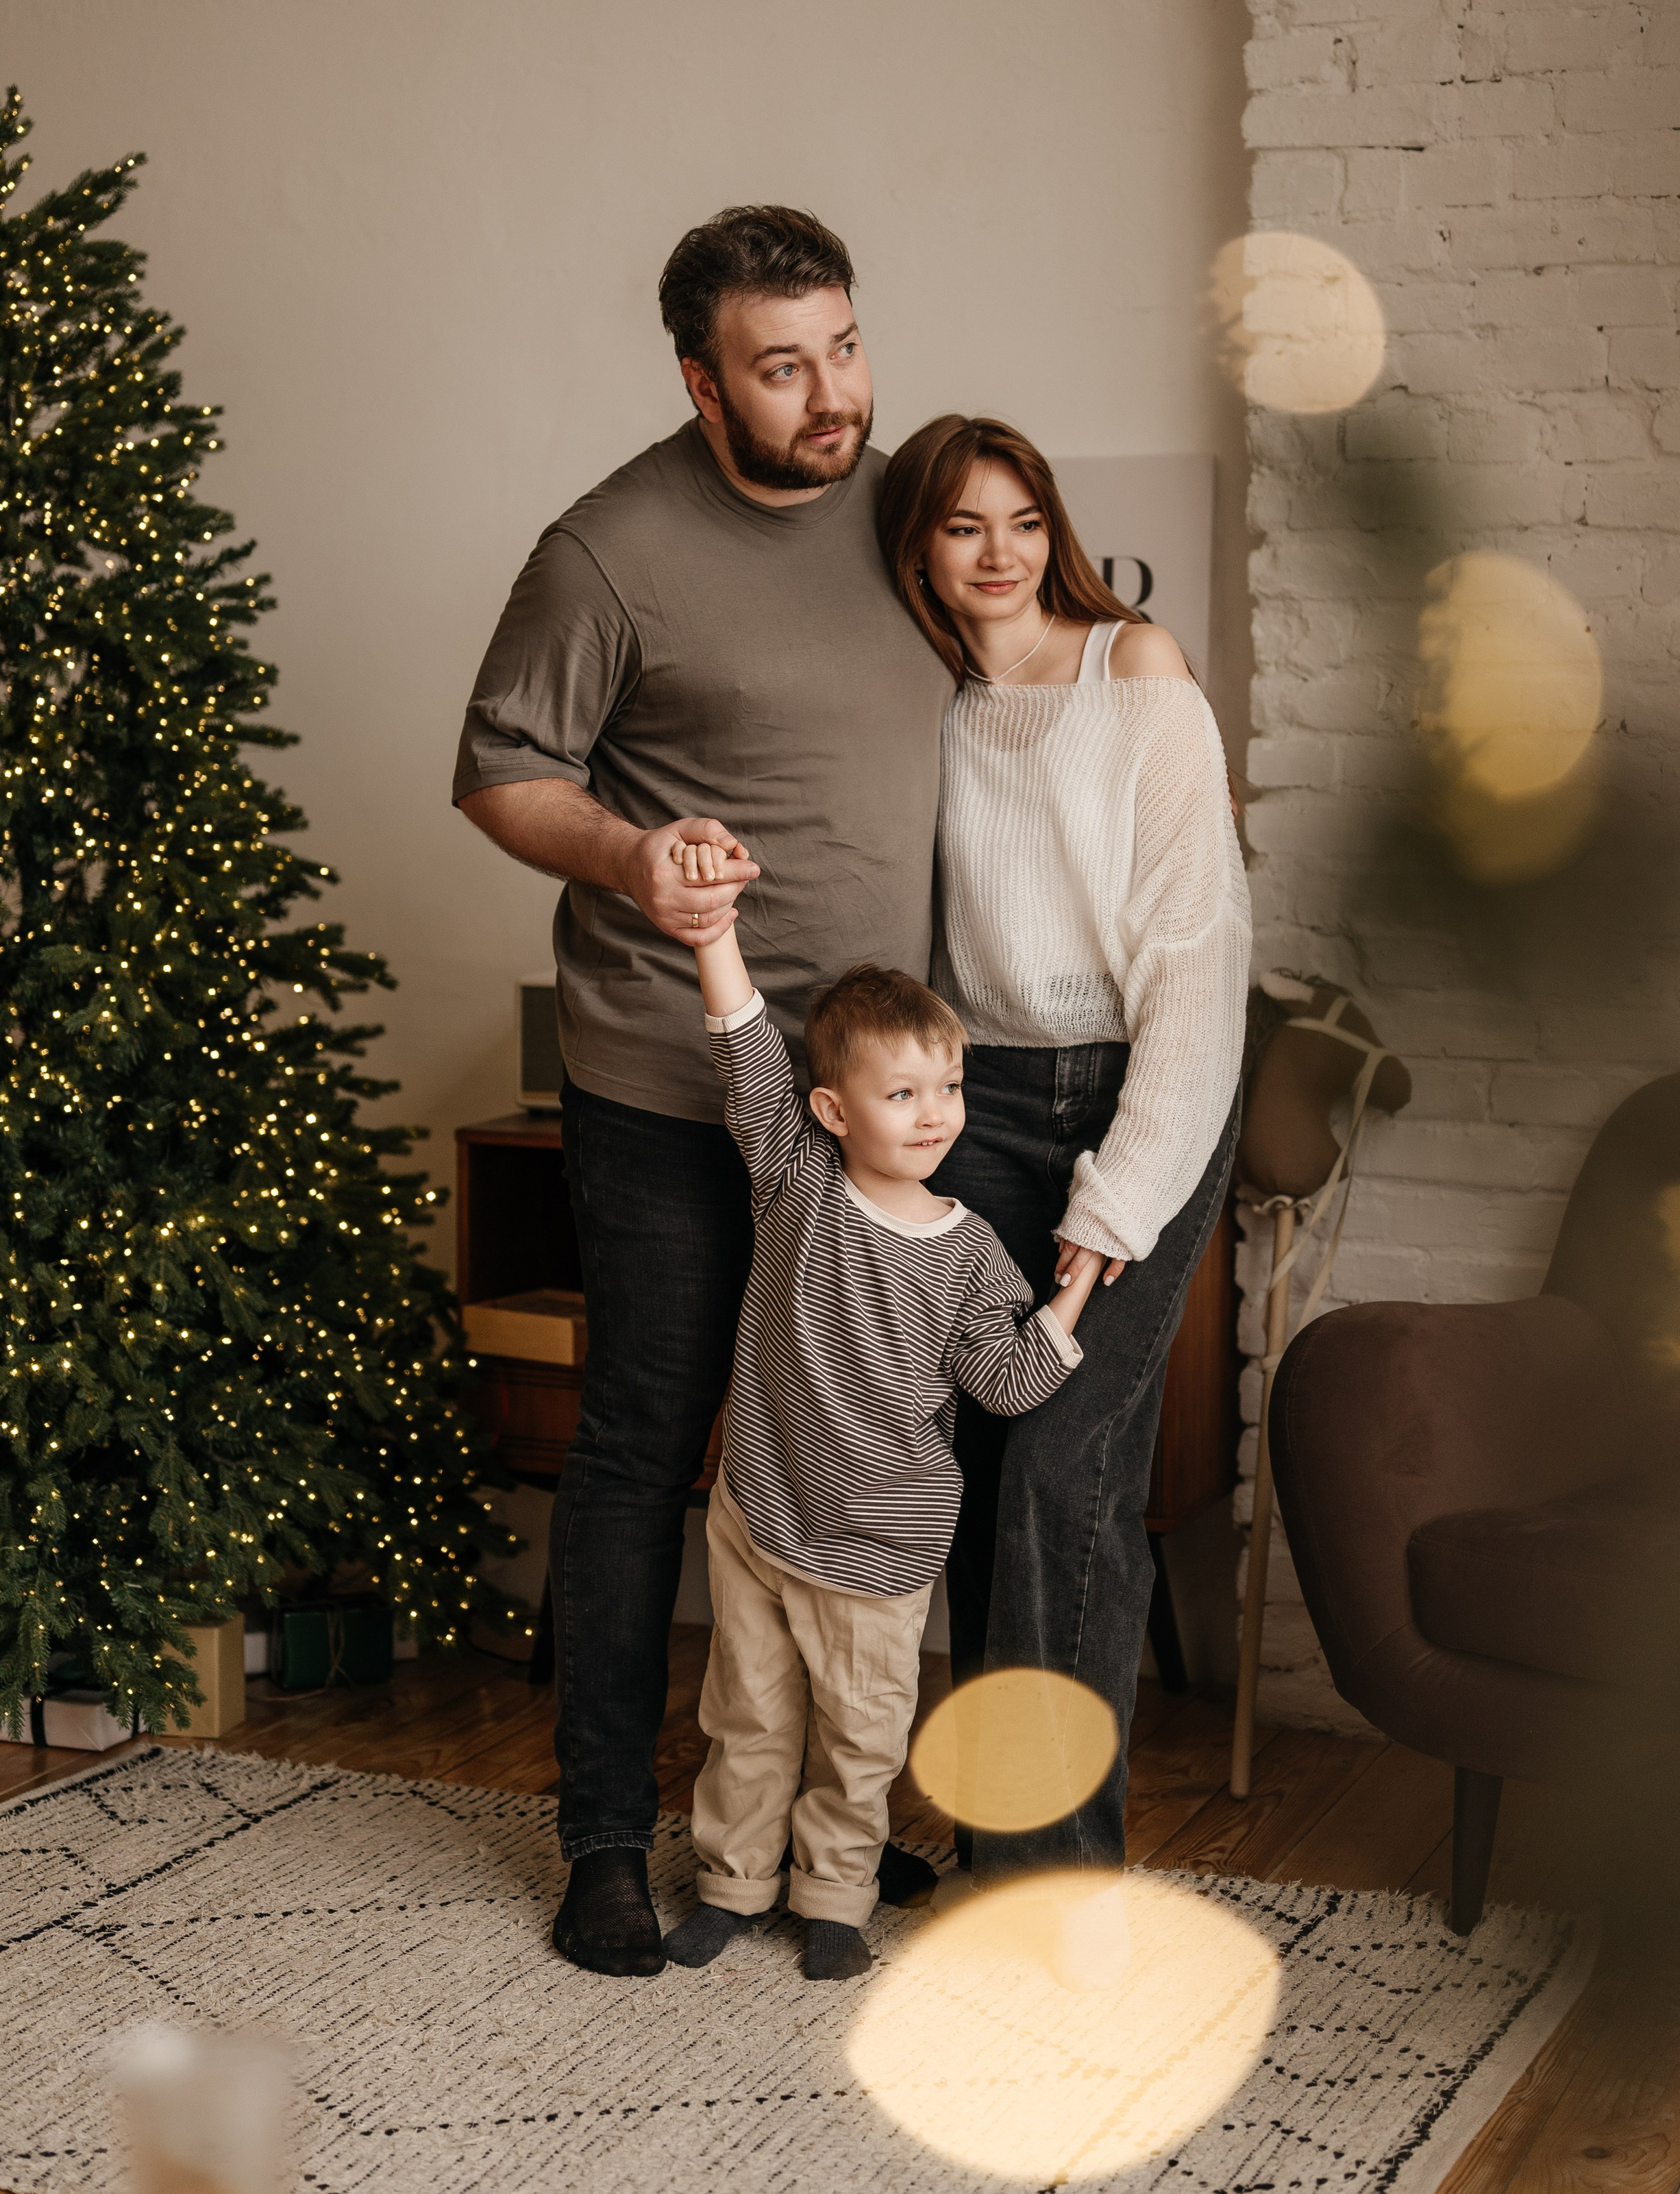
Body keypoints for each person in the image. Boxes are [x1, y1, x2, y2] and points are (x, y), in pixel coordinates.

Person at [452, 206, 956, 1977]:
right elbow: (499, 773)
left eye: (843, 346)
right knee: (649, 1444)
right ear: (698, 377)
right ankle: (603, 1837)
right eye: (780, 364)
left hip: (872, 1114)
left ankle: (831, 1826)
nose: (831, 394)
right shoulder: (608, 551)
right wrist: (624, 854)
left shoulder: (910, 508)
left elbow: (1046, 643)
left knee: (853, 1459)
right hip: (673, 1087)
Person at [876, 415, 1249, 1930]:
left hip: (1138, 1092)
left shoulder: (1133, 669)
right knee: (977, 1480)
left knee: (1060, 1478)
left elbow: (1196, 958)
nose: (1002, 552)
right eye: (964, 526)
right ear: (918, 550)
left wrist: (1112, 1206)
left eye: (1023, 518)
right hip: (980, 1110)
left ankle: (1056, 1887)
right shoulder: (933, 705)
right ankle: (998, 1832)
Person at [656, 855, 1100, 1980]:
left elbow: (1005, 1380)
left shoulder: (970, 1250)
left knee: (857, 1742)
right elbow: (744, 1046)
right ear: (831, 1110)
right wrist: (712, 931)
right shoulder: (793, 1179)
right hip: (760, 1514)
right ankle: (732, 1883)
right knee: (747, 1721)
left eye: (946, 1088)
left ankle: (838, 1899)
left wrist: (1077, 1287)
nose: (933, 1114)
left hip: (882, 1548)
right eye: (902, 1094)